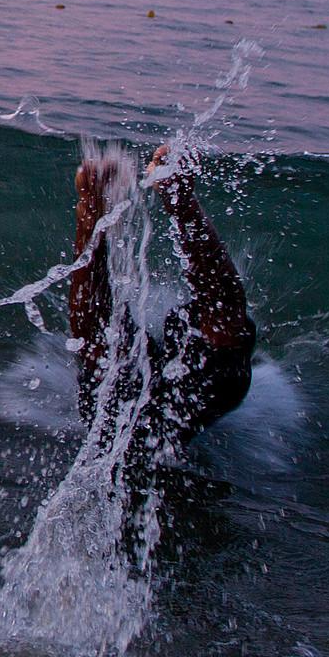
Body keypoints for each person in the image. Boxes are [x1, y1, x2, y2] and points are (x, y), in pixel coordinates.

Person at [67, 144, 254, 465]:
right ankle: (173, 197)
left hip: (128, 414)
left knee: (99, 349)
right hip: (174, 408)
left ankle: (93, 207)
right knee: (227, 334)